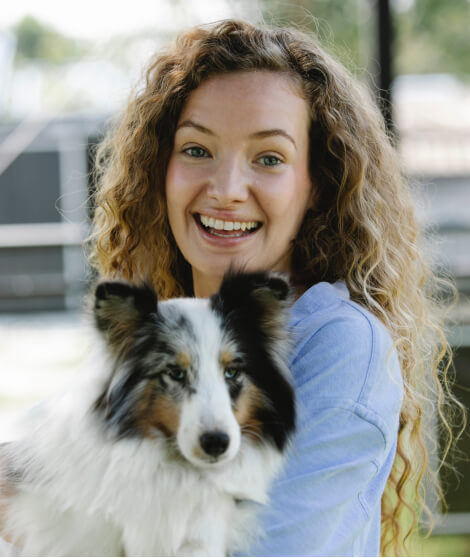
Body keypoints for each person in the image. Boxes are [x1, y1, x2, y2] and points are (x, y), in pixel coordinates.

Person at [1, 19, 463, 557]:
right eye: (197, 150)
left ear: (316, 183)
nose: (225, 190)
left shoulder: (338, 343)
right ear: (160, 167)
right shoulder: (167, 330)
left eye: (268, 158)